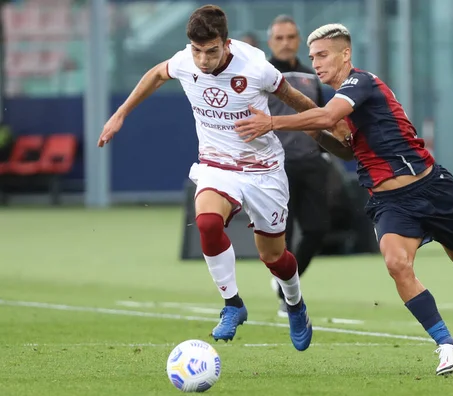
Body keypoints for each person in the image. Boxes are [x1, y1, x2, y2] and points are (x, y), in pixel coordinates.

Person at [234, 23, 453, 375]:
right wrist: (316, 133)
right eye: (312, 57)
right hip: (389, 203)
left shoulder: (361, 83)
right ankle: (447, 346)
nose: (316, 63)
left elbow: (327, 116)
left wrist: (274, 122)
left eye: (322, 55)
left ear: (345, 54)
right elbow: (346, 152)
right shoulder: (339, 100)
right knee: (397, 265)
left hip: (431, 189)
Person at [96, 5, 346, 352]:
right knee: (208, 224)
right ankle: (233, 305)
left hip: (263, 170)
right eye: (197, 50)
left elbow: (295, 98)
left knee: (274, 256)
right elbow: (156, 74)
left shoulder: (256, 68)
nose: (202, 59)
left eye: (211, 51)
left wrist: (330, 121)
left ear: (226, 44)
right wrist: (120, 114)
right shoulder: (186, 60)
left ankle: (295, 304)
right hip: (217, 165)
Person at [266, 15, 331, 317]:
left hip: (312, 163)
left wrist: (325, 151)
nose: (285, 43)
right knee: (284, 236)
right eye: (279, 38)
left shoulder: (312, 76)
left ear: (298, 39)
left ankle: (283, 286)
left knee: (318, 230)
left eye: (290, 37)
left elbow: (321, 118)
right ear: (271, 42)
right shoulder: (260, 75)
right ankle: (287, 297)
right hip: (276, 166)